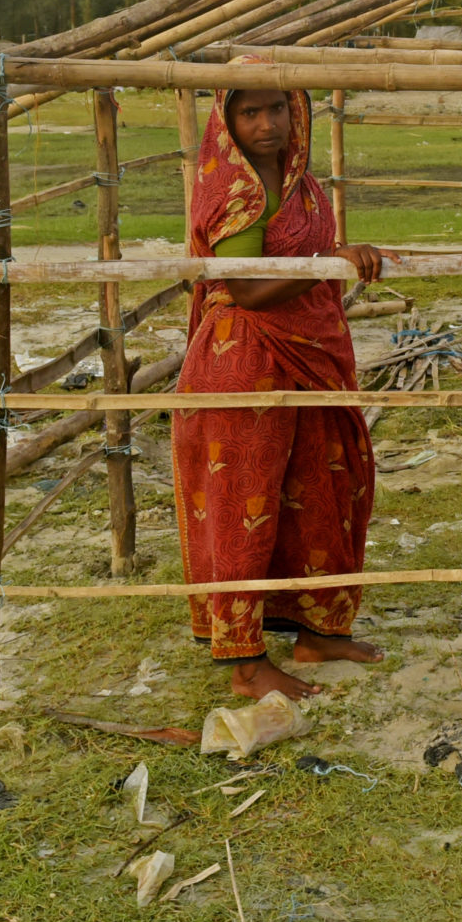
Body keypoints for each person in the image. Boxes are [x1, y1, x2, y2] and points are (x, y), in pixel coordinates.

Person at [171, 67, 390, 699]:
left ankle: (317, 631)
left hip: (309, 356)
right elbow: (247, 288)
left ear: (297, 113)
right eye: (250, 114)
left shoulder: (299, 183)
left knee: (323, 486)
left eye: (277, 110)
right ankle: (245, 659)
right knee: (248, 502)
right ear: (227, 122)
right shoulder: (231, 190)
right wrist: (330, 266)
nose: (266, 125)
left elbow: (302, 256)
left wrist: (343, 256)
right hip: (246, 361)